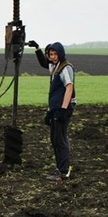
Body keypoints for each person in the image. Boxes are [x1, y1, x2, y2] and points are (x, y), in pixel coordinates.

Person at [28, 40, 76, 182]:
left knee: (60, 139)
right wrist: (37, 48)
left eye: (55, 54)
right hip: (56, 108)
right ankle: (59, 168)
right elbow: (44, 63)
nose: (53, 57)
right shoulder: (55, 67)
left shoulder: (65, 68)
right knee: (55, 139)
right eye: (50, 54)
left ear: (61, 54)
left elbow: (69, 88)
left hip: (63, 108)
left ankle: (63, 172)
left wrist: (63, 109)